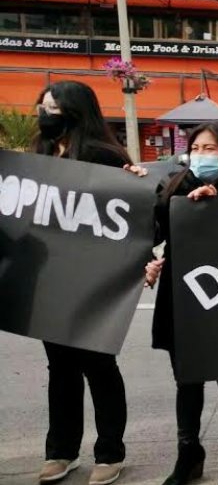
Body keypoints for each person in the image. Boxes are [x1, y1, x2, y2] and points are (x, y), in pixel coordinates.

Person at [32, 80, 142, 485]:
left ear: (76, 112)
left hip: (95, 281)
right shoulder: (40, 154)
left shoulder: (106, 157)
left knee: (98, 366)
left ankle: (110, 453)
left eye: (52, 109)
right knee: (60, 368)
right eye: (41, 107)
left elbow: (131, 219)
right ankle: (60, 451)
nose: (44, 116)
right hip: (50, 282)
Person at [144, 124, 218, 485]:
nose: (203, 153)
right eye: (197, 146)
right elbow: (151, 231)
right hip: (182, 298)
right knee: (187, 379)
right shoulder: (174, 186)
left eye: (211, 147)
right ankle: (188, 453)